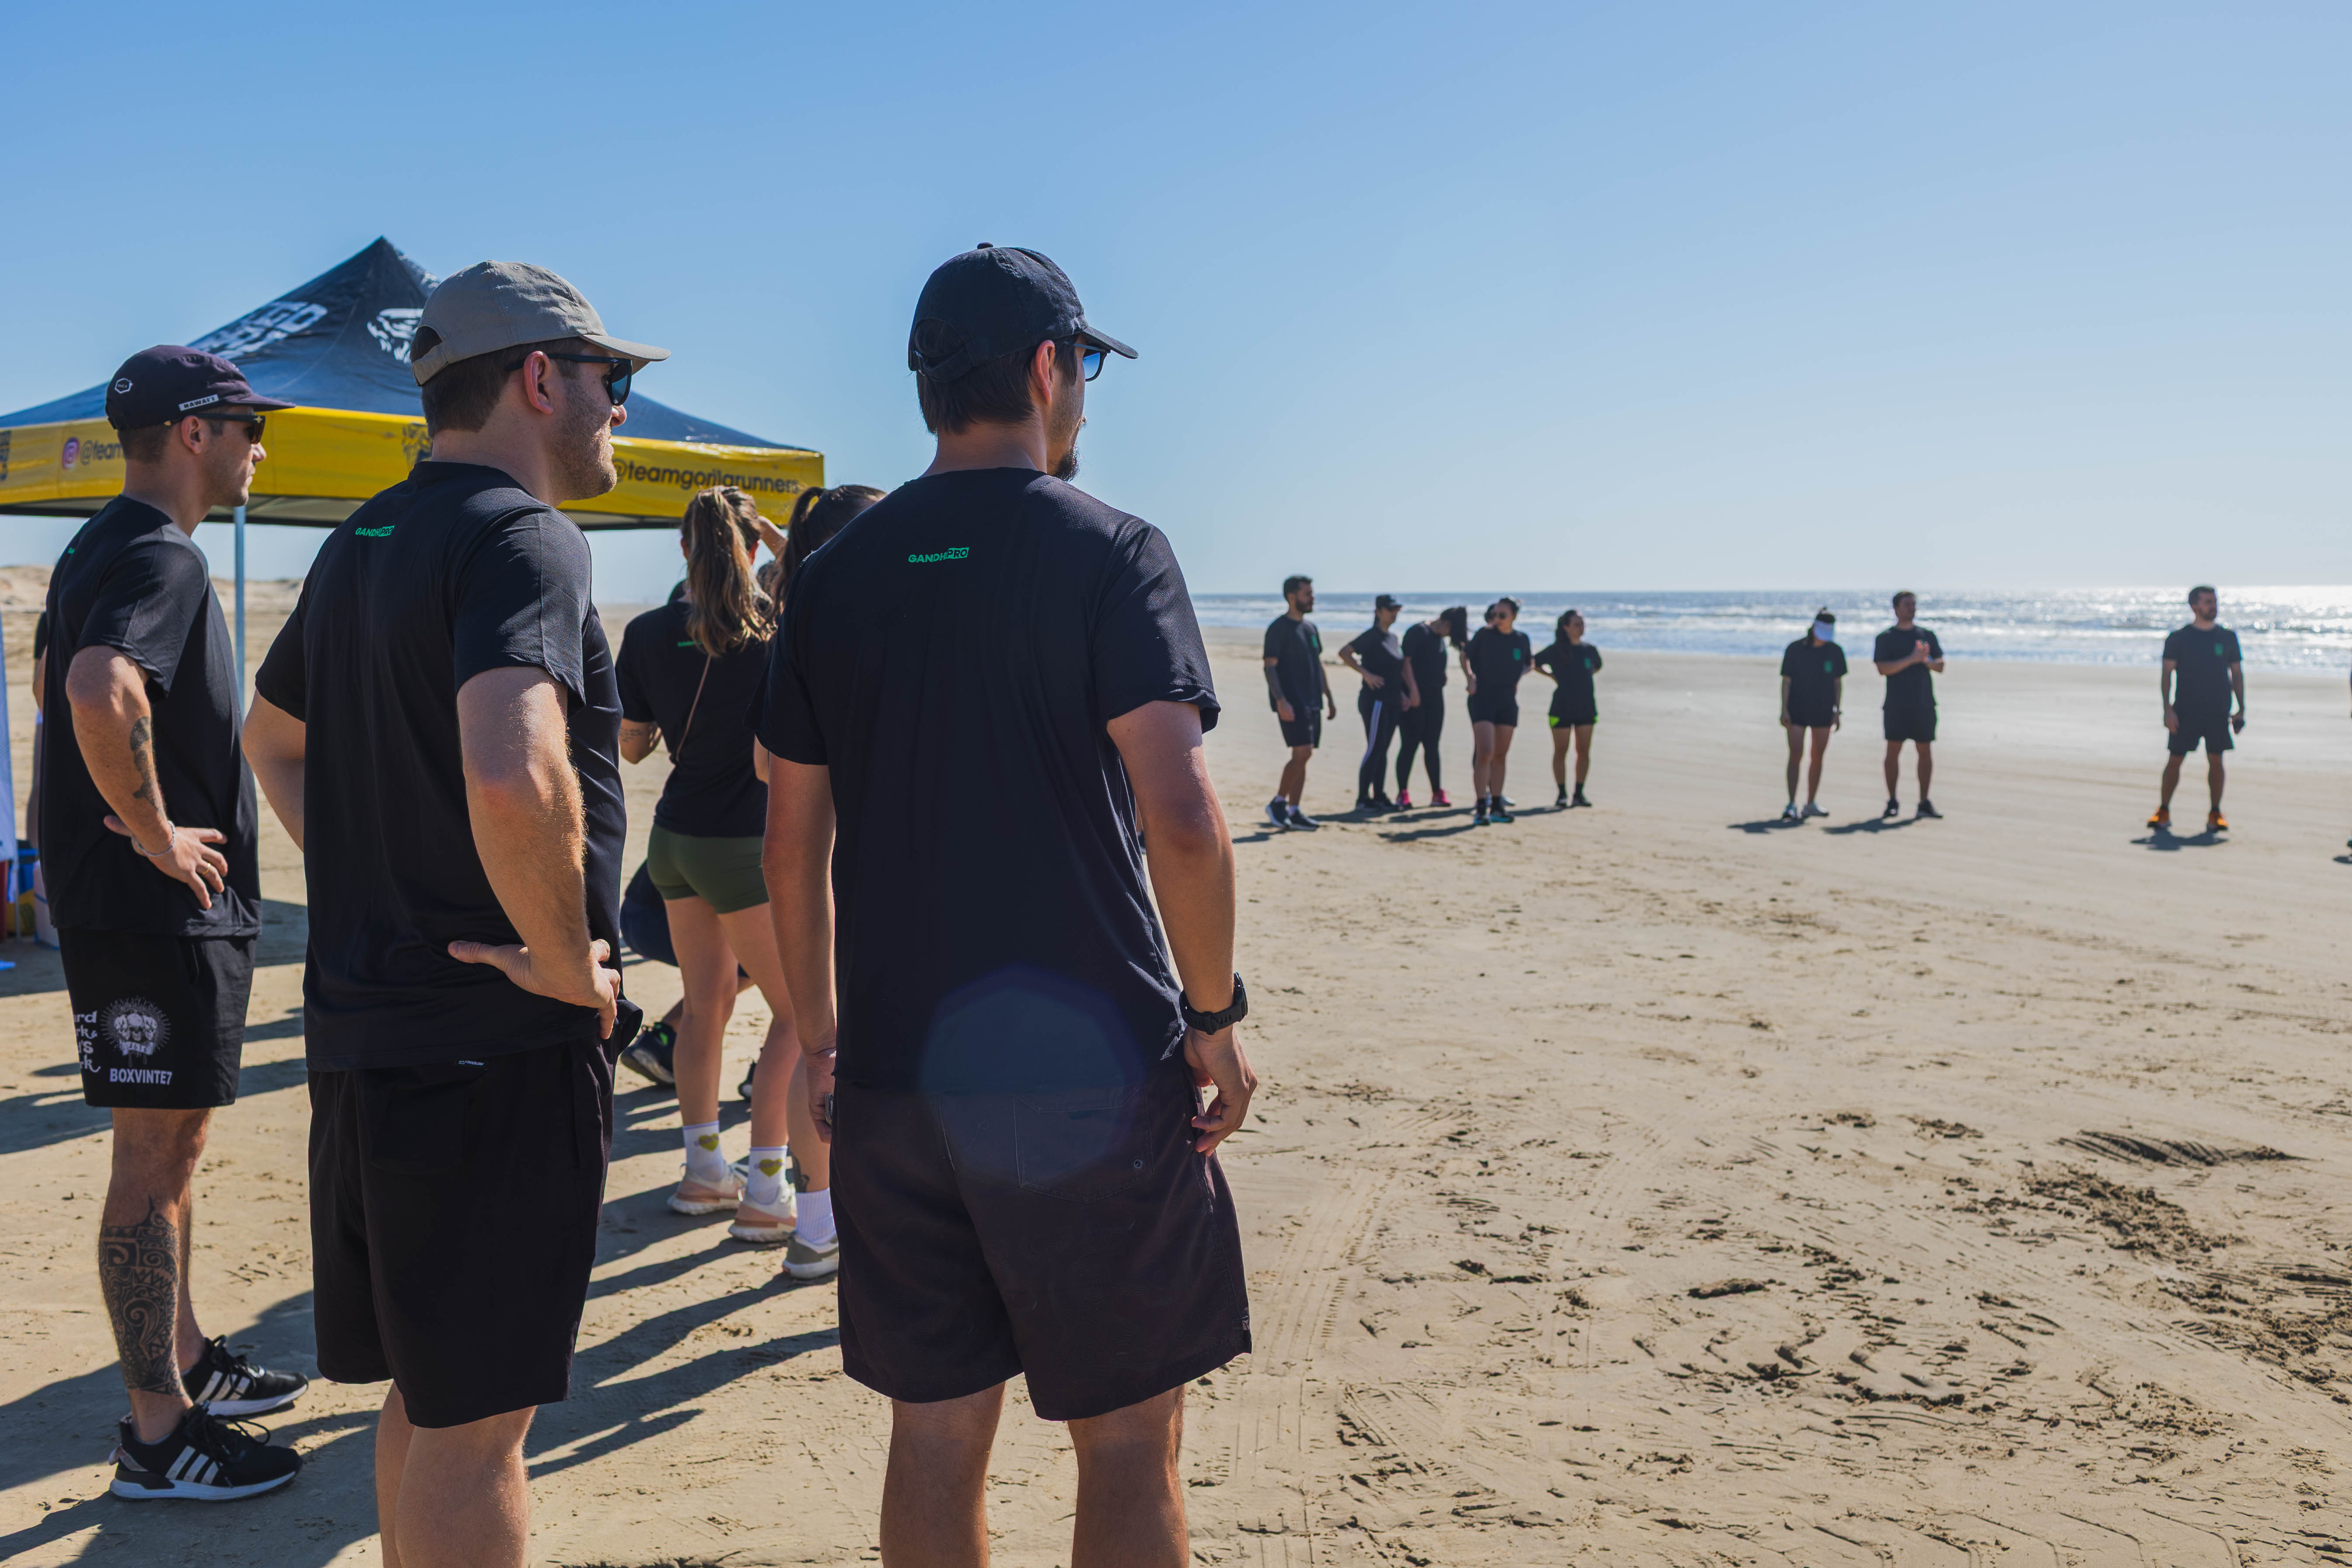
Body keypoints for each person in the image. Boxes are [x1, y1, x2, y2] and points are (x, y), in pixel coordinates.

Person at [760, 243, 1254, 1567]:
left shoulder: (835, 574)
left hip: (897, 1071)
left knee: (931, 1432)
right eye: (1084, 364)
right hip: (1086, 1070)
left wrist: (817, 1031)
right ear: (1045, 368)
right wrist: (1214, 1013)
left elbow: (788, 831)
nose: (1085, 393)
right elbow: (1184, 813)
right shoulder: (1110, 552)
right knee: (1126, 1436)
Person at [243, 260, 659, 1568]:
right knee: (482, 1421)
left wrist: (375, 871)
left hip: (371, 1026)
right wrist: (555, 956)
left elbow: (274, 742)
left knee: (430, 1398)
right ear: (541, 377)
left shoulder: (365, 534)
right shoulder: (520, 532)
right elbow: (508, 758)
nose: (620, 413)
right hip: (485, 1039)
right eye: (615, 380)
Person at [46, 347, 306, 1502]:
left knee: (170, 1152)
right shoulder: (159, 553)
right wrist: (153, 831)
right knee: (153, 1164)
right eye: (252, 428)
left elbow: (70, 672)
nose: (263, 450)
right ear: (195, 431)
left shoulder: (103, 538)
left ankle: (188, 1362)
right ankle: (159, 1434)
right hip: (153, 911)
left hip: (137, 910)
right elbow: (99, 685)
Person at [618, 486, 852, 1266]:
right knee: (800, 1017)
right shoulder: (774, 629)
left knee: (706, 1006)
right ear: (750, 546)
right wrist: (776, 538)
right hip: (743, 844)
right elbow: (819, 577)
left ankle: (702, 1171)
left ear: (684, 549)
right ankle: (764, 1194)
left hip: (674, 841)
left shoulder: (649, 632)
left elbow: (630, 746)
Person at [2150, 585, 2244, 834]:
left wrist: (2241, 709)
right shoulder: (2179, 638)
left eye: (2215, 601)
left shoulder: (2227, 637)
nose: (2213, 606)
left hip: (2218, 712)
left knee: (2216, 760)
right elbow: (2166, 675)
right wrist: (2167, 709)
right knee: (2175, 760)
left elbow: (2236, 674)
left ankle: (2216, 813)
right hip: (2185, 711)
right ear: (2194, 606)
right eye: (2207, 602)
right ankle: (2163, 810)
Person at [1262, 574, 1334, 829]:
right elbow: (1270, 667)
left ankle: (1294, 810)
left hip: (1314, 700)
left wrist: (1329, 696)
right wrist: (1281, 701)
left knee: (1304, 755)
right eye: (1307, 594)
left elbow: (1319, 663)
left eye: (1312, 593)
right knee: (1303, 752)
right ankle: (1278, 802)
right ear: (1292, 597)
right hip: (1292, 702)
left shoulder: (1311, 628)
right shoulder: (1278, 628)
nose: (1312, 598)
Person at [1872, 591, 1945, 820]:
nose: (1911, 608)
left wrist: (1927, 661)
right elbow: (1883, 669)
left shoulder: (1926, 635)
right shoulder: (1886, 638)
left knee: (1925, 750)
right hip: (1896, 705)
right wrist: (1910, 660)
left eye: (1914, 604)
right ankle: (1892, 801)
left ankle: (1924, 802)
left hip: (1924, 703)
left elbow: (1941, 665)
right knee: (1893, 751)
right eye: (1907, 605)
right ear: (1896, 609)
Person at [1338, 594, 1408, 812]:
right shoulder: (1371, 637)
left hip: (1393, 700)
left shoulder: (1393, 638)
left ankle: (1379, 795)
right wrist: (1365, 674)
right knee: (1375, 748)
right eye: (1390, 609)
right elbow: (1345, 653)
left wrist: (1404, 695)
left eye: (1397, 609)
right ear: (1378, 612)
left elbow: (1398, 670)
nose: (1394, 613)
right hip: (1375, 701)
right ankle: (1362, 798)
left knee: (1384, 749)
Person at [1466, 597, 1531, 825]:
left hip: (1507, 701)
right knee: (1486, 752)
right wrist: (1470, 678)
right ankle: (1481, 807)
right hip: (1483, 698)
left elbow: (1528, 663)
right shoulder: (1484, 635)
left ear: (1513, 616)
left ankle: (1496, 805)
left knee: (1501, 756)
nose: (1497, 619)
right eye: (1494, 615)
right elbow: (1466, 655)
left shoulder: (1522, 639)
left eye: (1502, 615)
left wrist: (1517, 678)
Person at [1779, 609, 1846, 822]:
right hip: (1797, 709)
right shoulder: (1795, 649)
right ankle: (1791, 803)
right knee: (1796, 754)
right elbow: (1786, 681)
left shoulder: (1835, 651)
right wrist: (1784, 709)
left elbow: (1838, 683)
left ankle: (1810, 803)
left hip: (1824, 711)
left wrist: (1837, 710)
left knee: (1818, 757)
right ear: (1814, 627)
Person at [1395, 606, 1466, 809]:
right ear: (1447, 623)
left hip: (1435, 698)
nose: (1449, 635)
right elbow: (1405, 664)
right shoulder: (1418, 632)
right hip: (1415, 699)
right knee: (1409, 745)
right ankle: (1403, 793)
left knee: (1433, 746)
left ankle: (1437, 793)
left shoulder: (1439, 639)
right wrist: (1413, 691)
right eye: (1451, 631)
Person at [1531, 609, 1602, 809]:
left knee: (1584, 751)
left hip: (1587, 707)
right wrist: (1552, 675)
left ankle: (1578, 794)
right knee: (1561, 751)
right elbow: (1534, 662)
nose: (1581, 627)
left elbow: (1597, 667)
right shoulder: (1556, 650)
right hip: (1561, 707)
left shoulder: (1590, 650)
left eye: (1583, 623)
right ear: (1566, 627)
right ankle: (1562, 794)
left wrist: (1583, 677)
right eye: (1577, 624)